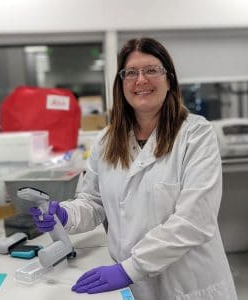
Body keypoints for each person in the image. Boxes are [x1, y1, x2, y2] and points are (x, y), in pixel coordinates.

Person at [30, 37, 237, 300]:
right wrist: (65, 215)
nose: (141, 80)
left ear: (169, 79)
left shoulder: (196, 134)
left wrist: (130, 269)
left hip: (188, 284)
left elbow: (194, 221)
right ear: (121, 83)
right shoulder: (107, 140)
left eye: (151, 70)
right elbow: (94, 201)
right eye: (131, 72)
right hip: (135, 287)